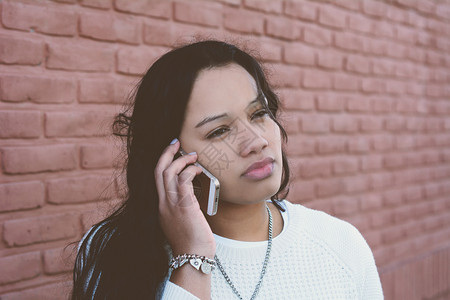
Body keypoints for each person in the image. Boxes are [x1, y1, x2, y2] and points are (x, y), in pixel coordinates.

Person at [72, 39, 384, 299]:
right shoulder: (114, 251)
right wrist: (192, 257)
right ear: (171, 156)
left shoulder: (339, 244)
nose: (256, 141)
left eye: (259, 113)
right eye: (219, 131)